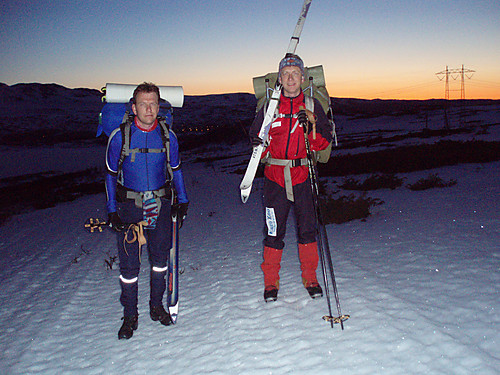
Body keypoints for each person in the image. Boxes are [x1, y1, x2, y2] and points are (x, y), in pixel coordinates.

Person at [105, 82, 189, 339]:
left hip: (159, 205)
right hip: (129, 206)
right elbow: (109, 175)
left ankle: (156, 307)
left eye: (153, 103)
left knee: (160, 262)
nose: (149, 108)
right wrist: (112, 211)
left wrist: (182, 200)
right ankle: (130, 316)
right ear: (134, 107)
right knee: (129, 268)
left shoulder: (167, 136)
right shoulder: (120, 136)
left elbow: (176, 170)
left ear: (159, 105)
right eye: (143, 103)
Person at [249, 54, 332, 302]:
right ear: (280, 79)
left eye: (295, 73)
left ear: (303, 77)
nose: (291, 78)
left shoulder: (312, 104)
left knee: (307, 230)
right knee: (274, 231)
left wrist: (312, 127)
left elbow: (323, 142)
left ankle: (311, 277)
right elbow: (256, 143)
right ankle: (270, 282)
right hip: (275, 178)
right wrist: (259, 144)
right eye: (286, 74)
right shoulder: (269, 107)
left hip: (303, 176)